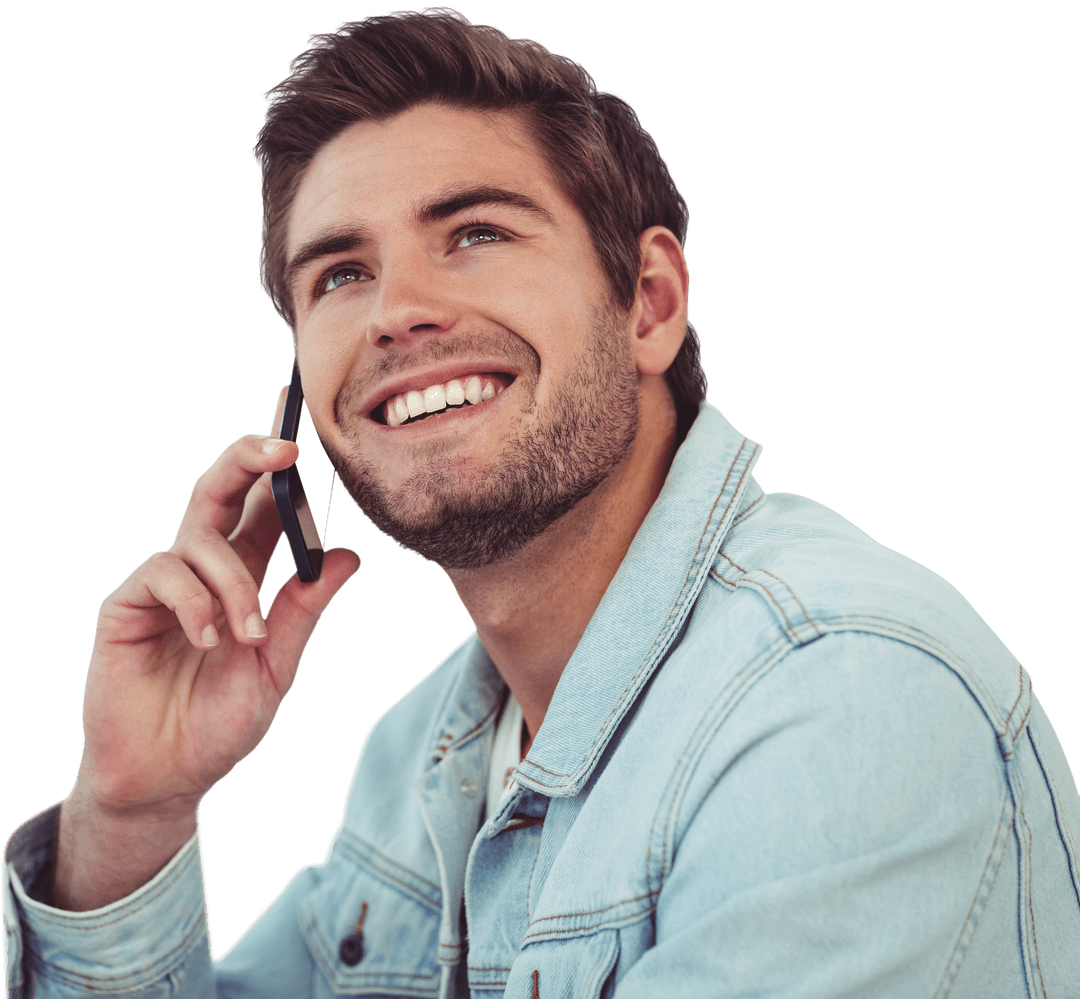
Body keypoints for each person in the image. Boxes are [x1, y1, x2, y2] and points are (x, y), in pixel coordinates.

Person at [3, 8, 1078, 997]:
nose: (397, 314)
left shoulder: (844, 696)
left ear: (648, 305)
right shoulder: (424, 751)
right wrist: (129, 815)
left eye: (474, 232)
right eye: (338, 275)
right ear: (304, 411)